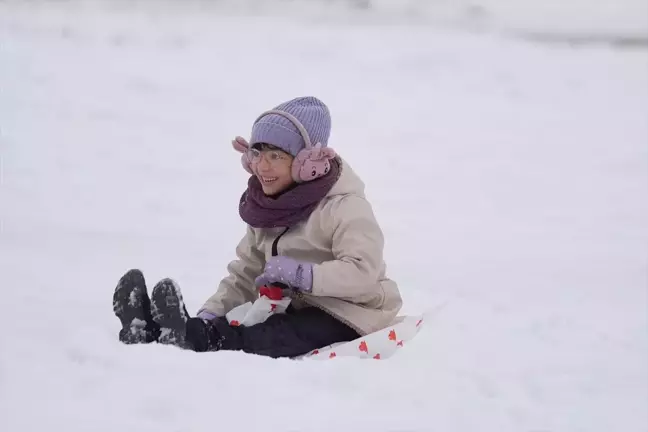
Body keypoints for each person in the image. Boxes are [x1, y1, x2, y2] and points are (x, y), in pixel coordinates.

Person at [112, 96, 403, 358]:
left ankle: (198, 339)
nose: (263, 167)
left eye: (276, 156)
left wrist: (303, 275)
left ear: (307, 163)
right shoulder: (269, 208)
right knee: (246, 320)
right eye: (257, 154)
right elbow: (246, 273)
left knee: (277, 333)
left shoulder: (345, 207)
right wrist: (210, 313)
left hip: (351, 312)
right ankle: (154, 330)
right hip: (292, 305)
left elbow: (362, 272)